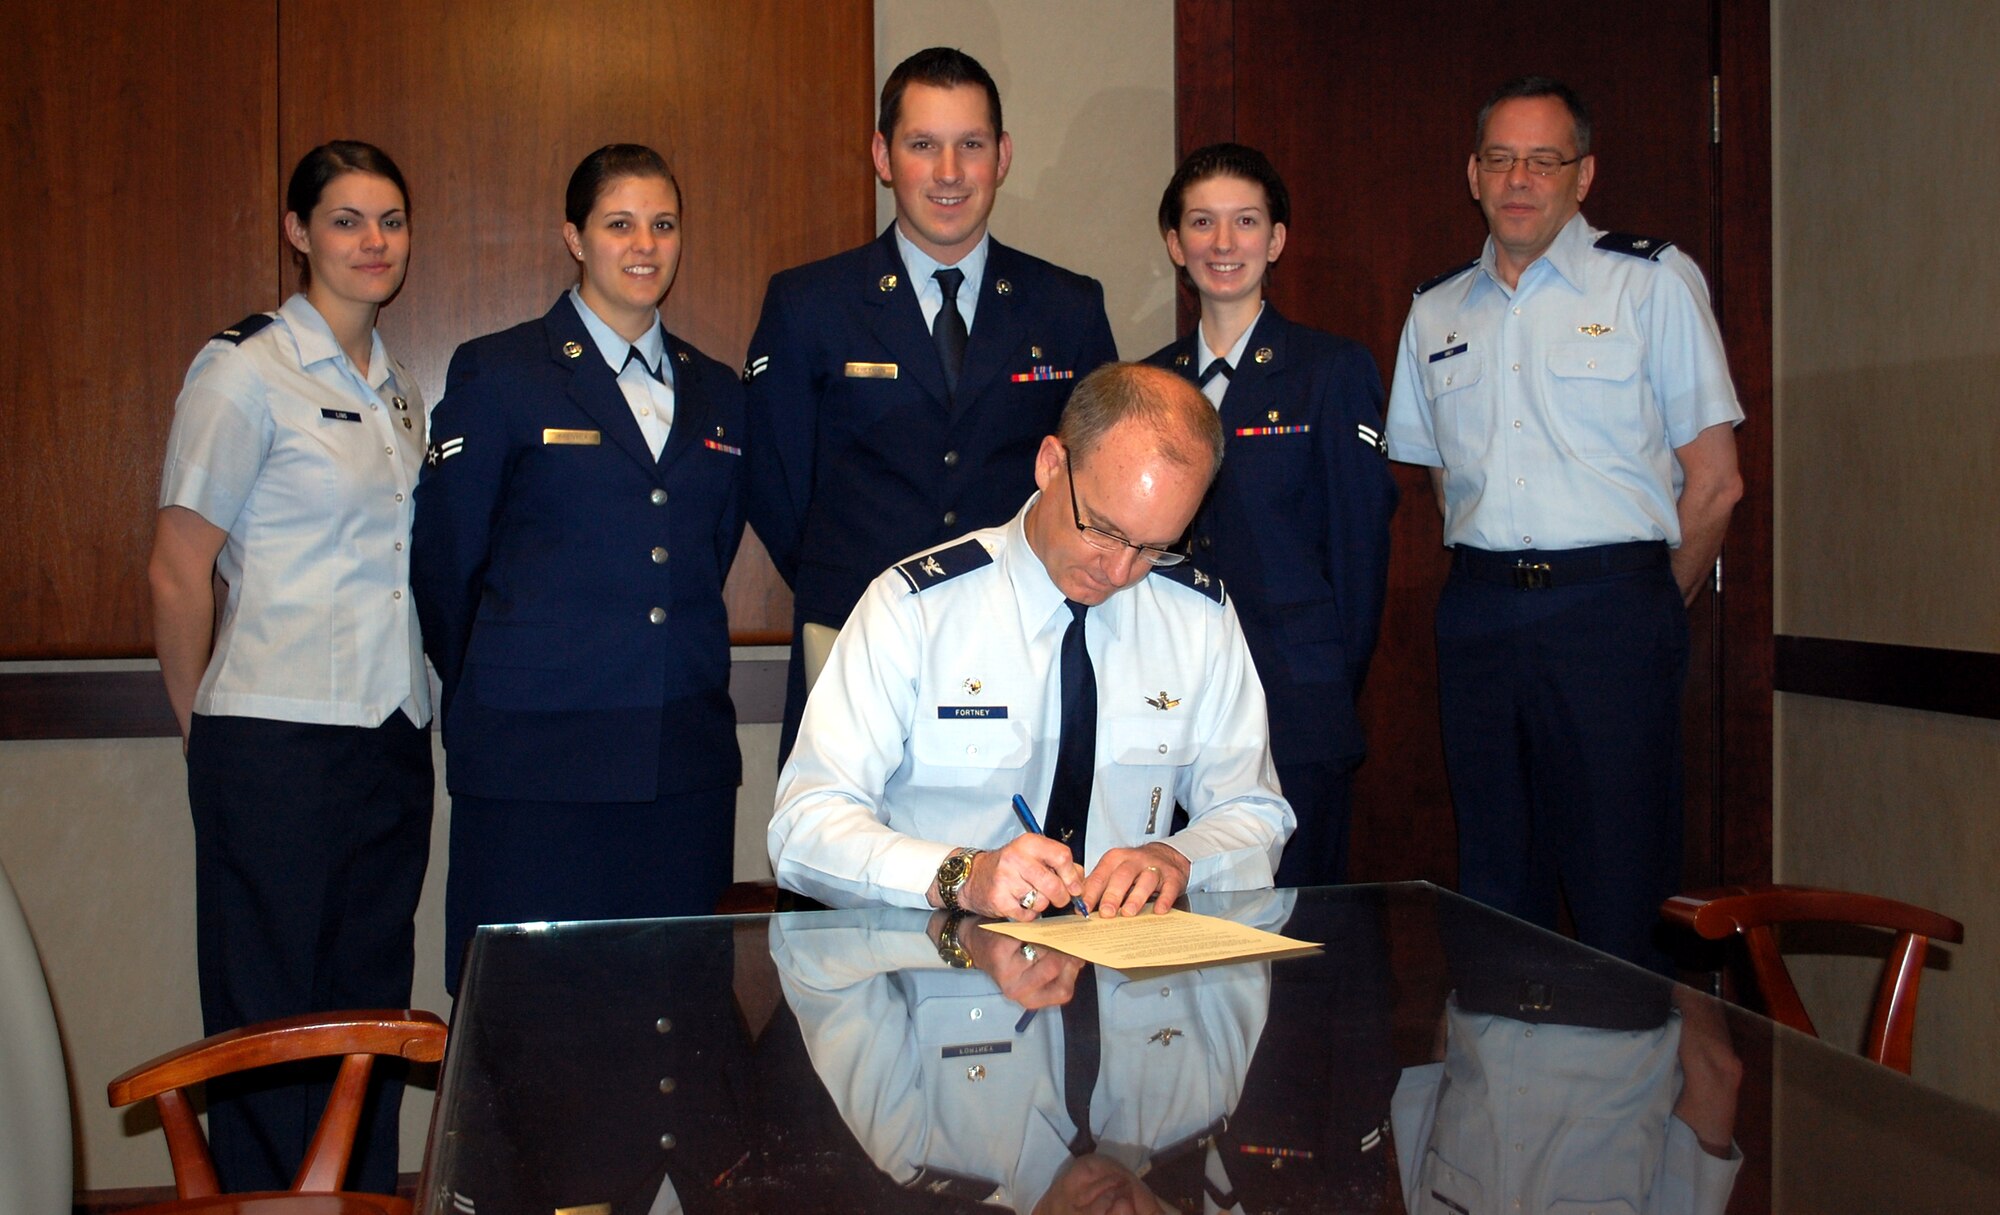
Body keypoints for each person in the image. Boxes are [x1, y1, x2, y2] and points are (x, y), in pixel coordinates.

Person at [1382, 77, 1745, 970]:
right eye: (1500, 159)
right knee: (1495, 884)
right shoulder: (1436, 310)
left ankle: (1627, 1103)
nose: (1519, 179)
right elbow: (1441, 483)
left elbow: (1717, 484)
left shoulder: (1650, 284)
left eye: (1543, 161)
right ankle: (1510, 1098)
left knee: (1621, 886)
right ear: (1472, 174)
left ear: (1583, 176)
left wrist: (1646, 608)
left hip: (1612, 611)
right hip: (1481, 614)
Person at [148, 140, 431, 1194]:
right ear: (298, 232)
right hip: (270, 740)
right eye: (348, 219)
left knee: (370, 1016)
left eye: (390, 220)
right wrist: (203, 733)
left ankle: (354, 1202)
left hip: (388, 739)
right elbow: (179, 569)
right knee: (270, 1022)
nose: (372, 241)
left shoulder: (399, 391)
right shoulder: (244, 370)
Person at [768, 362, 1293, 920]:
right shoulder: (917, 610)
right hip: (941, 970)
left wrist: (1177, 857)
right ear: (1050, 465)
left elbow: (1254, 813)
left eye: (1152, 548)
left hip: (1120, 976)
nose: (1118, 572)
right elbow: (805, 825)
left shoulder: (1197, 619)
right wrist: (961, 875)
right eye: (1103, 530)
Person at [411, 144, 746, 991]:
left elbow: (706, 549)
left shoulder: (720, 391)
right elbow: (448, 563)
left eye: (663, 224)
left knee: (674, 1023)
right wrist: (507, 679)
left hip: (681, 770)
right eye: (619, 223)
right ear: (574, 235)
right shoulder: (502, 372)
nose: (645, 244)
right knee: (529, 1024)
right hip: (537, 769)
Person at [744, 46, 1120, 761]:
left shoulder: (1066, 307)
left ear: (1002, 156)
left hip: (1019, 646)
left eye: (970, 146)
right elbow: (778, 488)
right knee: (848, 857)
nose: (949, 173)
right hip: (854, 637)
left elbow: (1094, 484)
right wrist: (865, 575)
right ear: (883, 156)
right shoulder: (808, 304)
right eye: (923, 146)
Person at [1143, 143, 1398, 887]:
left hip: (1295, 704)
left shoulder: (1330, 370)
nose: (1224, 245)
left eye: (1246, 222)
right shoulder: (1148, 383)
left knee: (1296, 935)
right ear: (1174, 243)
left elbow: (1359, 553)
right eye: (1202, 223)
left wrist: (1324, 685)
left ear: (1276, 239)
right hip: (1172, 708)